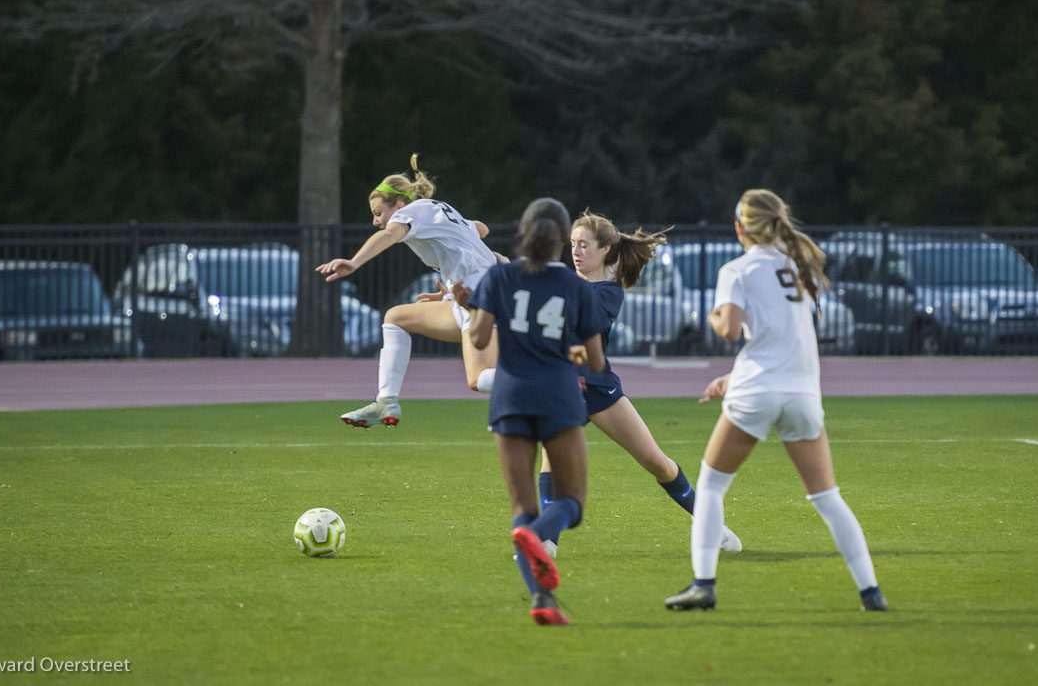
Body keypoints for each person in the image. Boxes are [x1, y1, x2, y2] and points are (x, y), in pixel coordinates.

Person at [664, 188, 886, 612]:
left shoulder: (738, 270)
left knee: (710, 486)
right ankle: (870, 591)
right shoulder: (799, 266)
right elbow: (783, 340)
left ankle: (703, 584)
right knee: (827, 498)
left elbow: (729, 329)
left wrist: (713, 317)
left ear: (739, 228)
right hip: (802, 393)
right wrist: (734, 376)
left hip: (757, 394)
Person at [534, 211, 741, 555]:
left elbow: (579, 320)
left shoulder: (608, 293)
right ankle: (545, 541)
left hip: (598, 389)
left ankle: (711, 525)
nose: (576, 251)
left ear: (605, 250)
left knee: (655, 462)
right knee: (551, 464)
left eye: (584, 245)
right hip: (560, 388)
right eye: (572, 244)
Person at [454, 197, 605, 626]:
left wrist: (471, 306)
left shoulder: (500, 276)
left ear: (523, 231)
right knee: (572, 501)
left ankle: (543, 598)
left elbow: (481, 341)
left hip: (511, 396)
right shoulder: (577, 287)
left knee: (523, 508)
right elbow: (595, 362)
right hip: (558, 396)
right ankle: (539, 538)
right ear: (561, 239)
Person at [316, 155, 501, 428]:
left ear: (399, 205)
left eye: (378, 213)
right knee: (395, 318)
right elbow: (481, 229)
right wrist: (451, 286)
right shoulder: (436, 211)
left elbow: (390, 235)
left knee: (478, 379)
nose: (376, 221)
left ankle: (553, 380)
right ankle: (386, 401)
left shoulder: (411, 213)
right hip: (470, 292)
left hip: (478, 294)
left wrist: (354, 262)